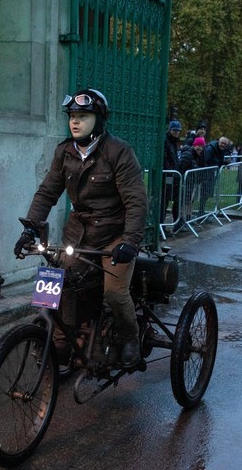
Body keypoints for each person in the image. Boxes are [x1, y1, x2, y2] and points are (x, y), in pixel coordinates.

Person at [14, 88, 149, 368]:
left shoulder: (118, 152)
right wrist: (30, 228)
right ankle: (59, 340)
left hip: (115, 236)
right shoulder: (64, 152)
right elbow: (47, 193)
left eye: (83, 116)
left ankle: (129, 336)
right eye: (72, 116)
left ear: (99, 120)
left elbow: (136, 201)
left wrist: (130, 242)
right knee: (52, 284)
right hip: (77, 235)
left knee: (113, 292)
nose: (75, 122)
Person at [178, 136, 207, 220]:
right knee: (185, 201)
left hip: (191, 181)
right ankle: (182, 219)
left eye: (202, 146)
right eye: (198, 146)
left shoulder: (196, 155)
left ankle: (187, 219)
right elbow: (181, 167)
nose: (200, 148)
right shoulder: (188, 154)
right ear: (194, 145)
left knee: (189, 200)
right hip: (185, 182)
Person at [162, 120, 182, 226]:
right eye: (175, 130)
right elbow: (165, 159)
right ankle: (161, 224)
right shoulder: (166, 140)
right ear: (170, 130)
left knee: (174, 199)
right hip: (168, 175)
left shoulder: (173, 142)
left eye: (178, 131)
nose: (177, 132)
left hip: (173, 174)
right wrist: (171, 171)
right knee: (164, 201)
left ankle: (177, 223)